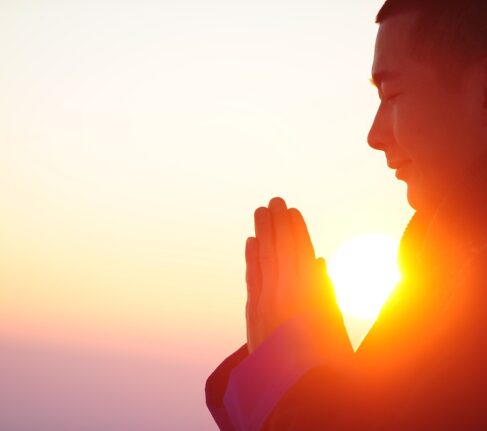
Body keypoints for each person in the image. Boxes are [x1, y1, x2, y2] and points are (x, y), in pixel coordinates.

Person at [206, 1, 487, 429]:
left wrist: (284, 381)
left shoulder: (470, 307)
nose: (374, 136)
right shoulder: (439, 283)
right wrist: (331, 371)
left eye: (392, 94)